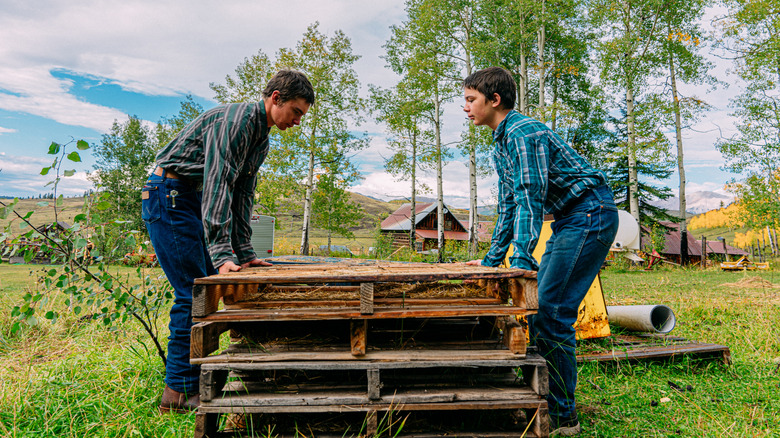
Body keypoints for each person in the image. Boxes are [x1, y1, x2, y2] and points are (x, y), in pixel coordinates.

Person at [141, 70, 314, 413]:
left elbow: (241, 196)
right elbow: (219, 185)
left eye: (302, 116)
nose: (297, 121)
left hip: (187, 197)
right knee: (194, 292)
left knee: (204, 295)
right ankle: (176, 394)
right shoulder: (235, 122)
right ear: (275, 98)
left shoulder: (260, 138)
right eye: (295, 112)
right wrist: (222, 254)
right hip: (169, 196)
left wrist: (245, 253)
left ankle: (195, 382)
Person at [463, 67, 618, 436]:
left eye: (471, 100)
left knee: (552, 312)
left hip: (590, 214)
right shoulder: (501, 141)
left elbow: (531, 197)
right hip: (570, 219)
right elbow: (509, 204)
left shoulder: (522, 132)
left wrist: (519, 258)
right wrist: (490, 261)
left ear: (494, 99)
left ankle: (564, 417)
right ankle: (543, 398)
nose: (465, 108)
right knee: (540, 311)